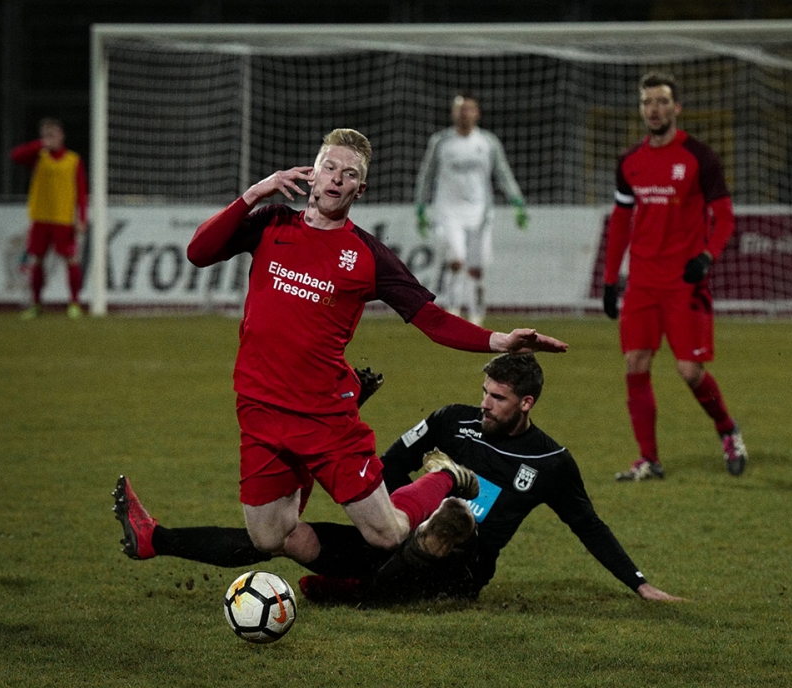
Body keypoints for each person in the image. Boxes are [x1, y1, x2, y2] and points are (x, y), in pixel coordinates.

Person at [177, 127, 567, 579]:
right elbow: (198, 252)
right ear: (312, 173)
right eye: (329, 167)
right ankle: (357, 583)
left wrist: (499, 340)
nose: (336, 178)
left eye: (349, 174)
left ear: (359, 189)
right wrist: (254, 194)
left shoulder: (368, 255)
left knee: (388, 534)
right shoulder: (272, 222)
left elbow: (431, 319)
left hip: (325, 418)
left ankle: (444, 476)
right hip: (260, 408)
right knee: (269, 537)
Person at [113, 354, 684, 605]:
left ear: (526, 403)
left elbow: (588, 524)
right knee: (286, 537)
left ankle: (364, 582)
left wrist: (638, 583)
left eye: (498, 398)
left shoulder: (551, 461)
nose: (485, 404)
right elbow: (384, 468)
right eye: (484, 392)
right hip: (395, 536)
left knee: (453, 520)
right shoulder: (451, 420)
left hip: (462, 569)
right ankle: (154, 538)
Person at [602, 72, 748, 480]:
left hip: (685, 282)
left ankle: (727, 429)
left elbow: (725, 218)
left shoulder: (700, 157)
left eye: (662, 101)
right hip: (642, 282)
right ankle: (649, 459)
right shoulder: (629, 161)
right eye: (647, 102)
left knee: (690, 371)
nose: (654, 109)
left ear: (677, 107)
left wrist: (707, 256)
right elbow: (621, 221)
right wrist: (611, 280)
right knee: (635, 363)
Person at [414, 92, 528, 326]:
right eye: (460, 109)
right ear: (453, 113)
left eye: (468, 109)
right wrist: (421, 205)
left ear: (477, 113)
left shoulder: (487, 142)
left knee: (476, 268)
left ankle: (476, 314)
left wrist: (517, 201)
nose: (464, 114)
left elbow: (502, 173)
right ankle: (453, 311)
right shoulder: (441, 142)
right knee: (456, 260)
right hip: (448, 211)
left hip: (480, 213)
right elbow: (427, 174)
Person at [10, 118, 88, 319]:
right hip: (40, 217)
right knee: (37, 260)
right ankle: (36, 304)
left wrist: (81, 217)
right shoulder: (38, 156)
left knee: (71, 258)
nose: (48, 139)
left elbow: (81, 191)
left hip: (63, 218)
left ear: (62, 136)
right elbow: (15, 155)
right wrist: (39, 144)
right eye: (45, 135)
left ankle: (74, 303)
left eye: (52, 135)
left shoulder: (73, 160)